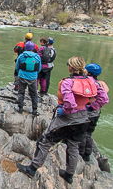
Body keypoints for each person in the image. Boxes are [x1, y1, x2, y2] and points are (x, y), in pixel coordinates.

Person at [17, 56, 109, 184]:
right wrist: (90, 108)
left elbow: (70, 104)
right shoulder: (91, 81)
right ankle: (69, 174)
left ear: (71, 67)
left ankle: (32, 169)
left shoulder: (68, 82)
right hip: (83, 119)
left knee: (45, 141)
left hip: (66, 119)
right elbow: (104, 98)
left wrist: (65, 111)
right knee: (73, 146)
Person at [79, 63, 109, 161]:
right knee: (89, 133)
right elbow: (106, 91)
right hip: (96, 112)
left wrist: (91, 107)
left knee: (82, 132)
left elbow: (104, 98)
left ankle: (81, 152)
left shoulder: (90, 83)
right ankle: (87, 154)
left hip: (88, 111)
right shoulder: (101, 83)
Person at [15, 41, 41, 116]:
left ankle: (20, 108)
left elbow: (17, 67)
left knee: (21, 92)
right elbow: (39, 68)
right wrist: (34, 74)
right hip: (33, 77)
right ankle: (35, 110)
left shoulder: (21, 55)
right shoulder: (37, 56)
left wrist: (20, 73)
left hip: (22, 76)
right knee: (34, 94)